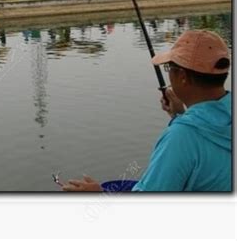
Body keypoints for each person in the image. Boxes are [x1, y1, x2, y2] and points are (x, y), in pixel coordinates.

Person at [62, 30, 231, 192]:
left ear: (183, 77)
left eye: (169, 68)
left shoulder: (181, 136)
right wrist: (179, 115)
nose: (169, 75)